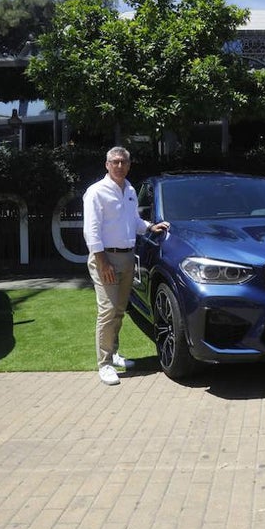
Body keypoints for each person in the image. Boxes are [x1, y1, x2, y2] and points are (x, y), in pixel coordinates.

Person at [83, 147, 169, 385]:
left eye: (123, 162)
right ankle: (105, 364)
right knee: (108, 310)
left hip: (127, 257)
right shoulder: (96, 192)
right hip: (105, 259)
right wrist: (102, 262)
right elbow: (91, 231)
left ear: (129, 165)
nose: (119, 166)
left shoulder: (130, 190)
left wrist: (150, 227)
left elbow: (133, 221)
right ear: (107, 164)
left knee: (120, 310)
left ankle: (114, 353)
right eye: (115, 162)